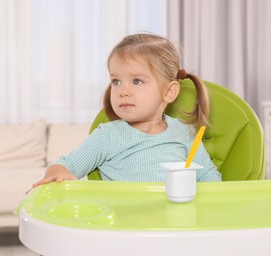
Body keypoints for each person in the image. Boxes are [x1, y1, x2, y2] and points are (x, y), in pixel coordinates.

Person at [32, 33, 221, 189]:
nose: (123, 91)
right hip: (124, 229)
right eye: (116, 81)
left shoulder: (183, 132)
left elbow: (208, 176)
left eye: (137, 81)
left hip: (175, 227)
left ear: (169, 92)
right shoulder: (108, 136)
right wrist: (56, 175)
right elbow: (66, 165)